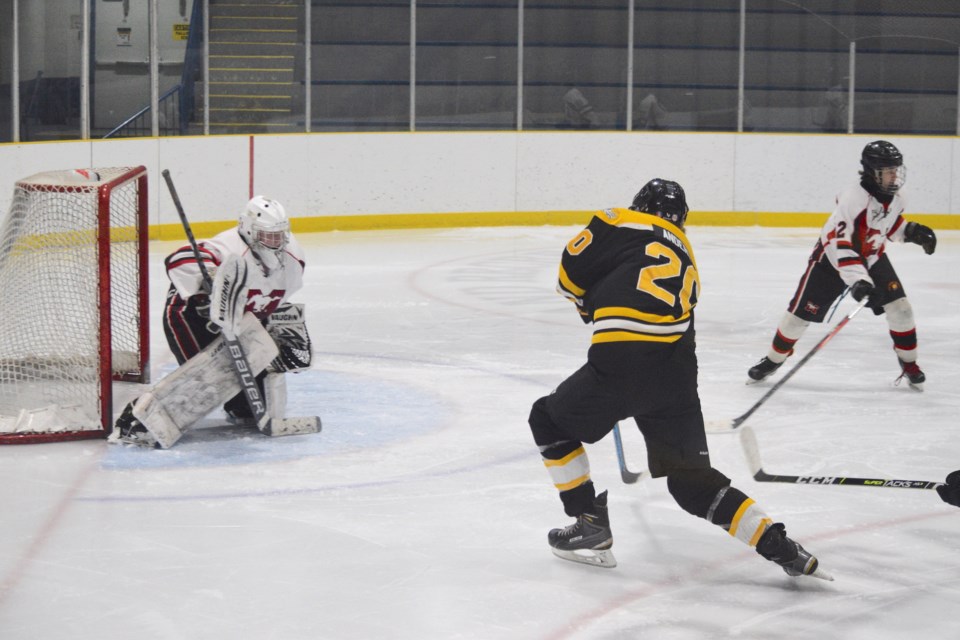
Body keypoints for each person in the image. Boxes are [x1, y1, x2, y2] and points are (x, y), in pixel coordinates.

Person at [528, 178, 830, 579]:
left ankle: (589, 523)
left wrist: (591, 303)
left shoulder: (617, 219)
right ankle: (780, 545)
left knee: (547, 420)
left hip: (622, 363)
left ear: (640, 205)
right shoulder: (686, 252)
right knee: (693, 484)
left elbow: (568, 277)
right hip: (676, 377)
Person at [110, 195, 313, 448]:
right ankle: (138, 419)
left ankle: (234, 403)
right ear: (249, 230)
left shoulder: (294, 259)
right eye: (267, 235)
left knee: (248, 408)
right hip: (191, 317)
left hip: (240, 323)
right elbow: (178, 259)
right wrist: (210, 284)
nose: (276, 242)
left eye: (280, 235)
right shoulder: (228, 247)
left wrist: (285, 330)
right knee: (207, 379)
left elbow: (275, 301)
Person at [747, 140, 936, 391]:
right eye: (888, 171)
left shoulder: (898, 197)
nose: (894, 176)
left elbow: (884, 226)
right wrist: (860, 282)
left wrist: (910, 232)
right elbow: (841, 245)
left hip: (872, 256)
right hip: (831, 260)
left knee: (901, 310)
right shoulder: (853, 200)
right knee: (798, 318)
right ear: (872, 172)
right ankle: (774, 359)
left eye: (896, 169)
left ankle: (910, 365)